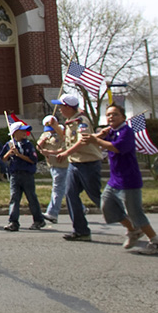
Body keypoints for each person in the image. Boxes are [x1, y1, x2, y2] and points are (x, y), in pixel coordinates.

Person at [89, 104, 158, 254]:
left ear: (123, 117)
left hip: (129, 180)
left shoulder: (126, 132)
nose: (111, 117)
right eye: (109, 114)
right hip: (114, 180)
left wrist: (96, 140)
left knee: (135, 212)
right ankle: (133, 231)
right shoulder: (111, 131)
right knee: (107, 206)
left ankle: (156, 241)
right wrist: (99, 135)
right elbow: (91, 140)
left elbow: (117, 148)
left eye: (115, 114)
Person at [52, 94, 104, 242]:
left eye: (61, 107)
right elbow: (66, 139)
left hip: (88, 163)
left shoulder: (82, 121)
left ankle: (127, 221)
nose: (60, 110)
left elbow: (83, 140)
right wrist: (55, 126)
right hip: (75, 163)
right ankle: (81, 230)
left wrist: (66, 152)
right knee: (70, 194)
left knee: (96, 196)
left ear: (68, 107)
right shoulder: (70, 121)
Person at [2, 123, 46, 231]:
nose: (25, 133)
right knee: (14, 198)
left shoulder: (28, 145)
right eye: (22, 131)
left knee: (31, 198)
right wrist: (9, 153)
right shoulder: (10, 144)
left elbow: (33, 160)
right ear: (14, 133)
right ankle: (13, 221)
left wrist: (19, 155)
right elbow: (3, 159)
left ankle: (38, 220)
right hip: (15, 175)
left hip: (27, 175)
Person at [38, 115, 67, 224]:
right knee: (66, 189)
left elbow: (65, 148)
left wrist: (50, 152)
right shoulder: (46, 134)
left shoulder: (62, 133)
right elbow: (38, 147)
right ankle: (81, 208)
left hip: (62, 164)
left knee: (57, 188)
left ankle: (52, 213)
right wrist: (42, 144)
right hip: (52, 165)